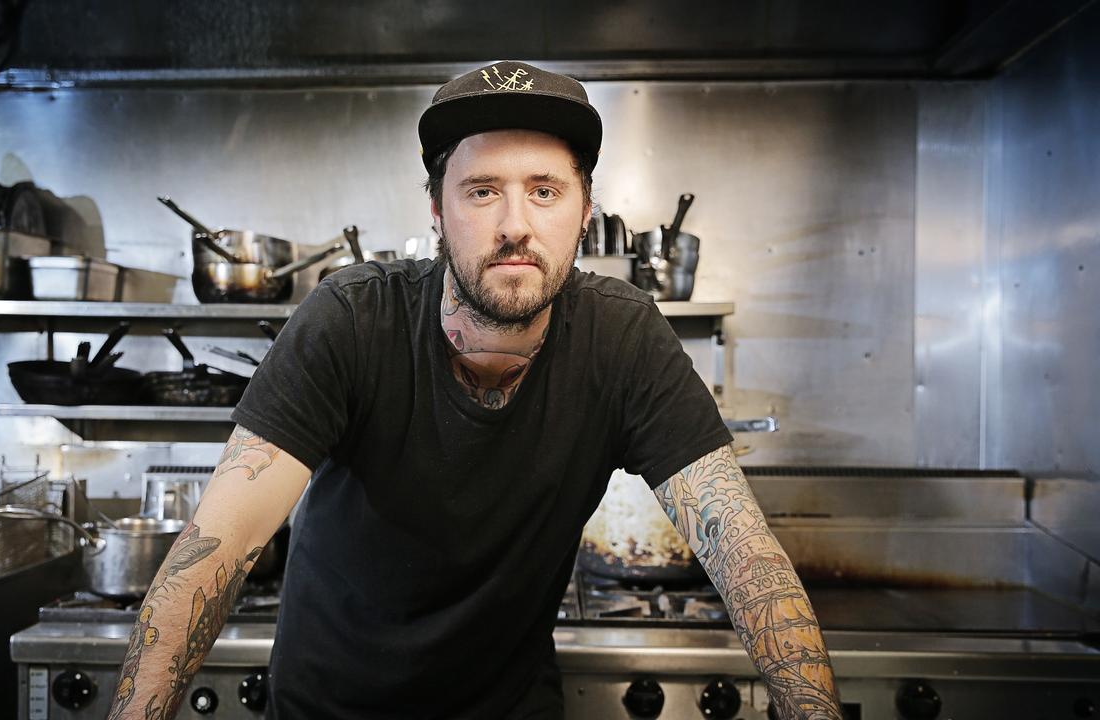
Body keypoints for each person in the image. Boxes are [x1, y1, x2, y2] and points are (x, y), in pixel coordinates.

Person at [105, 60, 842, 720]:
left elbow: (746, 557)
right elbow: (212, 555)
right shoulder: (351, 320)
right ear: (438, 210)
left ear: (585, 212)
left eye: (545, 191)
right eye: (482, 191)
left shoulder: (624, 339)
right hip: (330, 707)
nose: (514, 225)